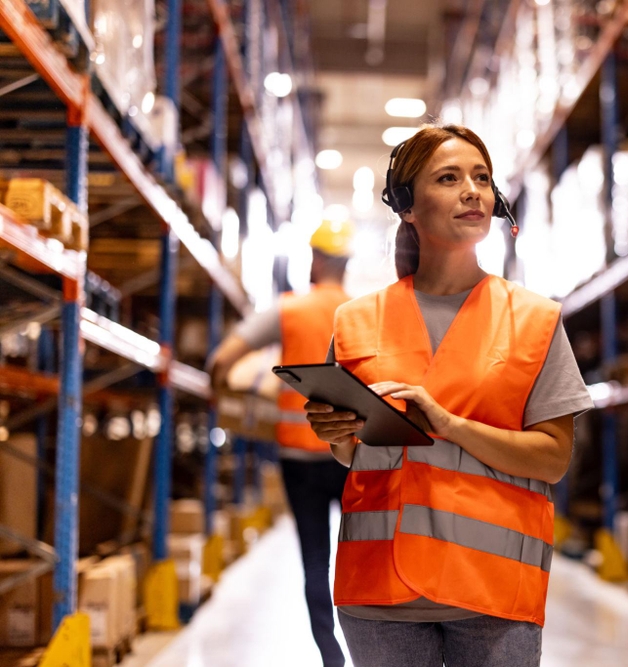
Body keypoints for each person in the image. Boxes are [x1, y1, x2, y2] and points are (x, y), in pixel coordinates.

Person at [304, 124, 593, 667]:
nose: (472, 190)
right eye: (449, 178)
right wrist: (336, 435)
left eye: (481, 178)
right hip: (379, 590)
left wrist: (451, 424)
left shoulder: (535, 320)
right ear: (408, 206)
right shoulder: (356, 321)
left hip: (492, 589)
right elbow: (353, 454)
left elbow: (553, 459)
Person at [208, 219, 354, 667]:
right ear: (345, 264)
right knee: (360, 560)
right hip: (352, 458)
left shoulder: (289, 311)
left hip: (297, 456)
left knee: (315, 560)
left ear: (317, 259)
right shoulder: (363, 312)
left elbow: (222, 359)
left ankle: (330, 656)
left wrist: (226, 398)